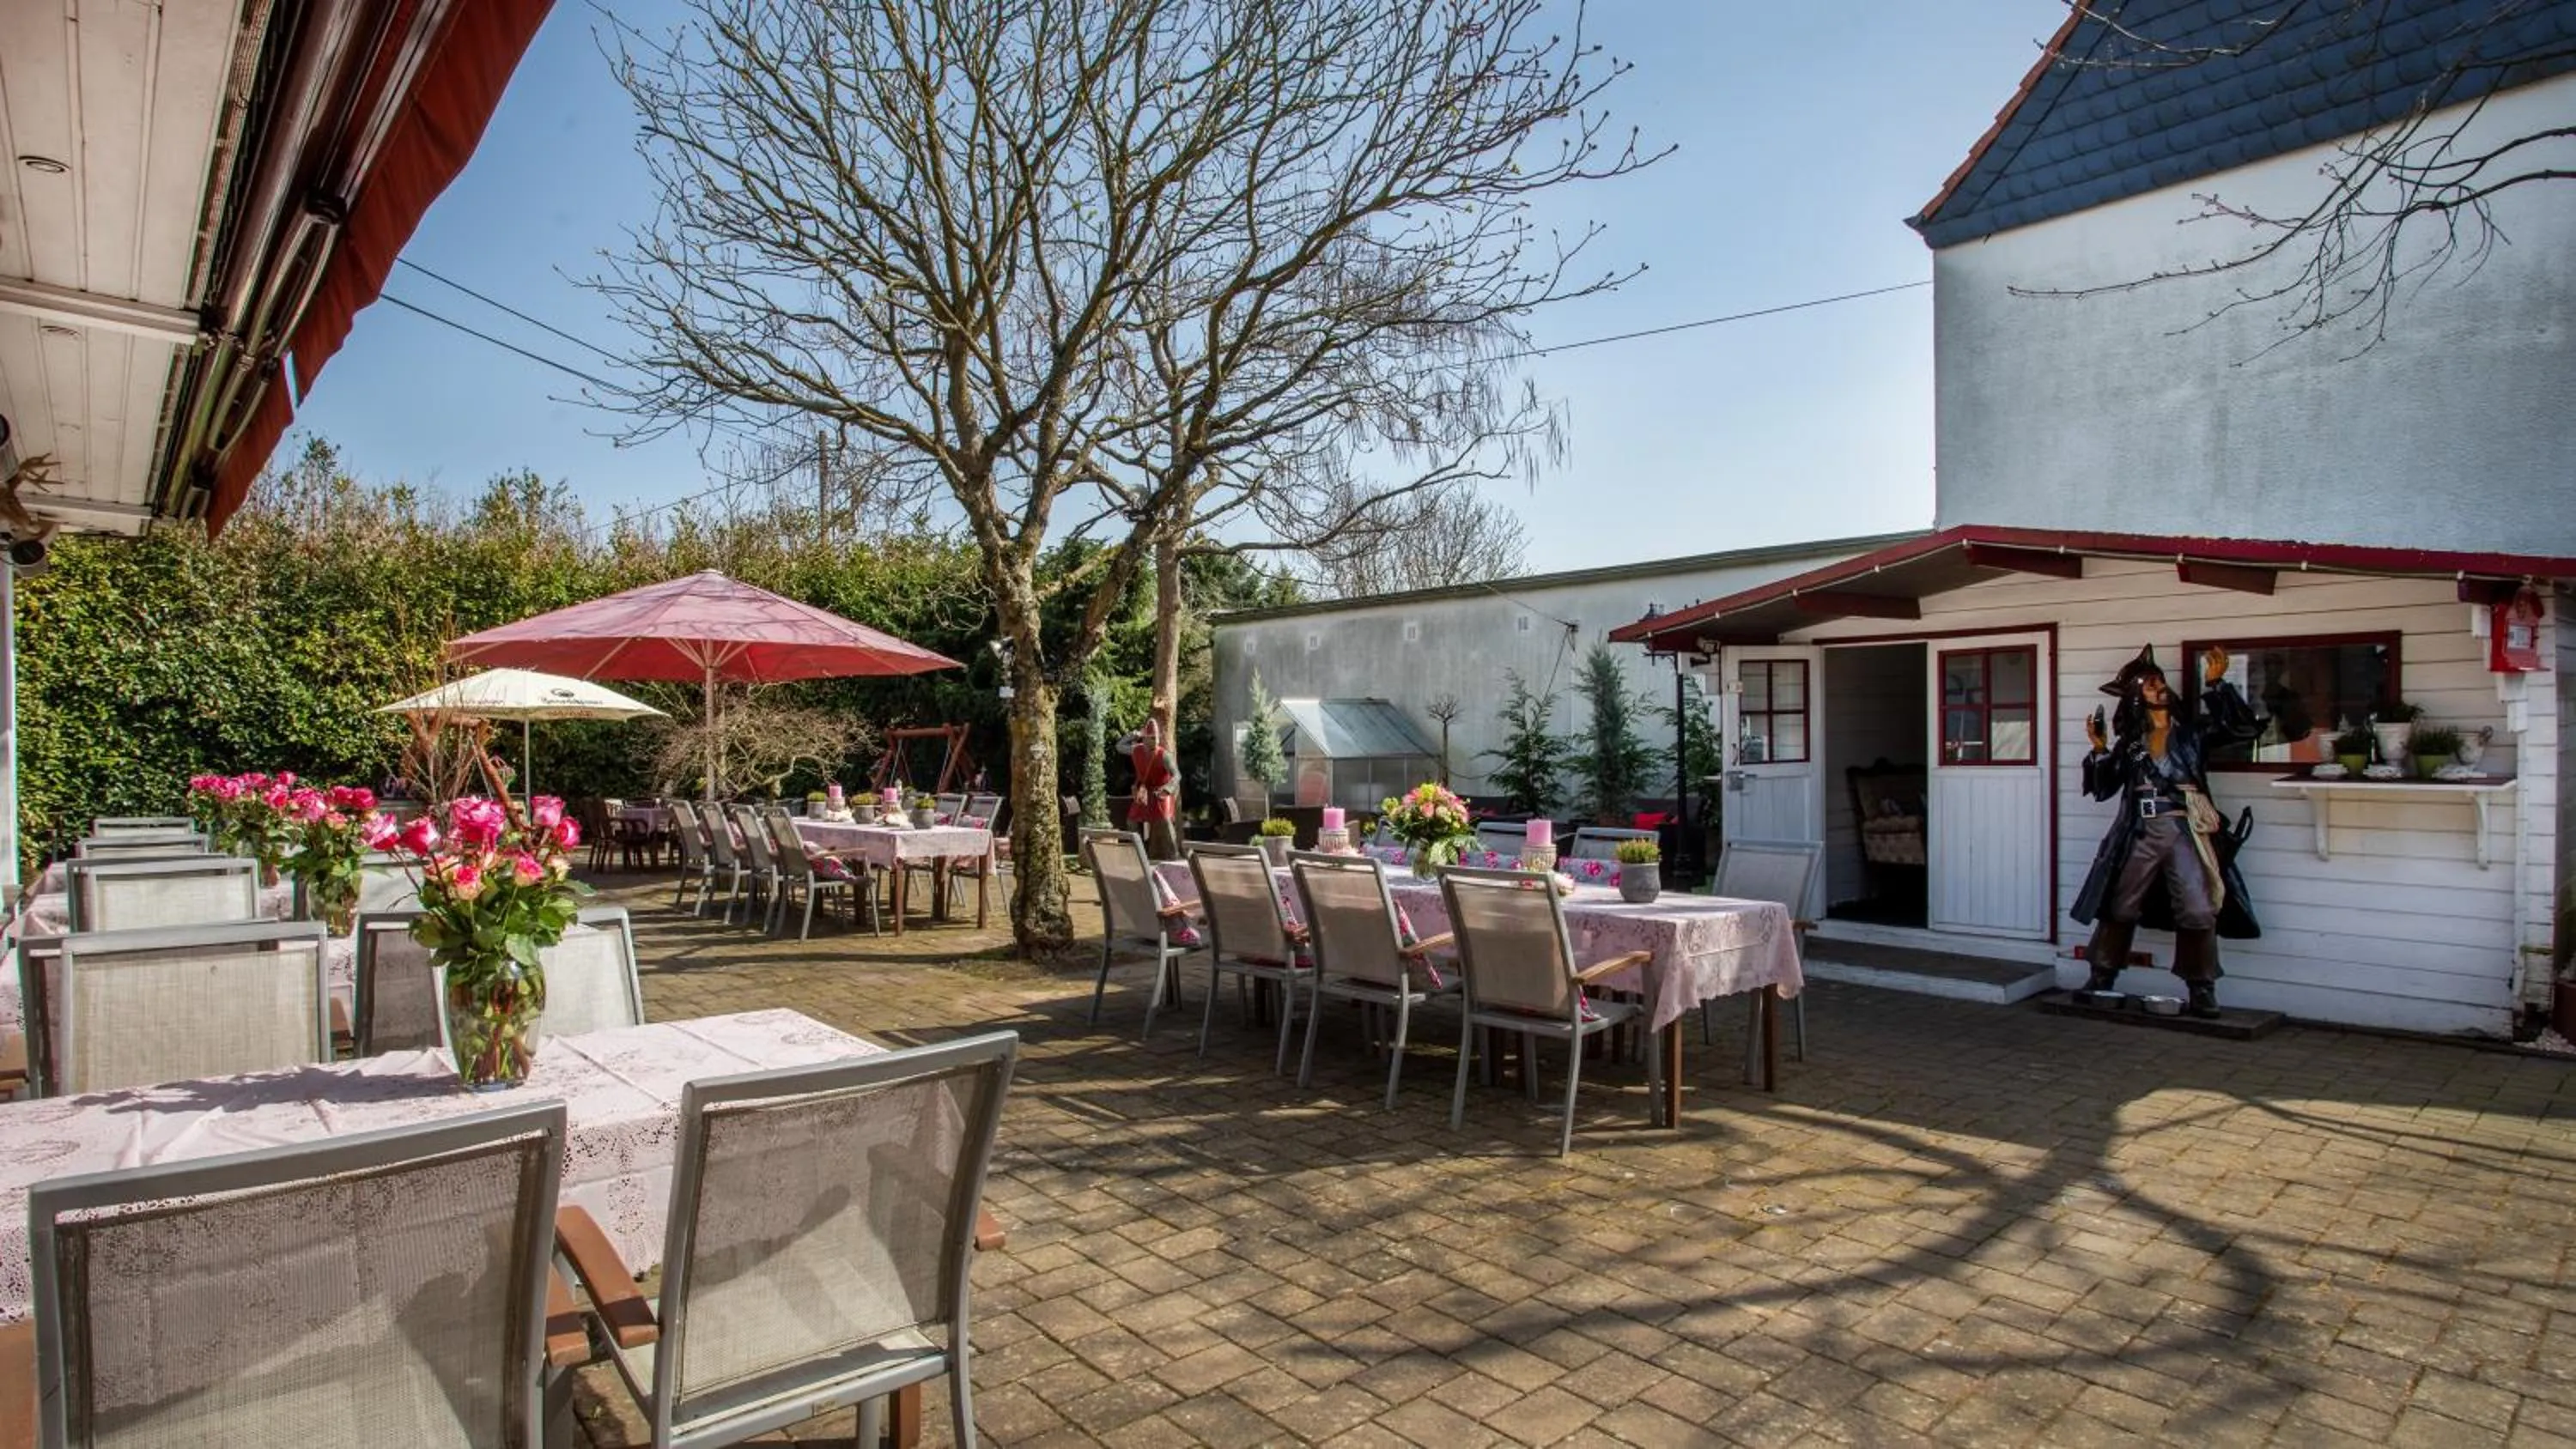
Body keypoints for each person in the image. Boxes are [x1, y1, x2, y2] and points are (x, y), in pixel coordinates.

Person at [2073, 644, 2263, 1019]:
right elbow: (2103, 787)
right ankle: (2101, 976)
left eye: (2160, 681)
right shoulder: (2132, 745)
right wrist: (2098, 750)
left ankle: (2202, 987)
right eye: (2149, 684)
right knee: (2119, 904)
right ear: (2136, 697)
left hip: (2184, 829)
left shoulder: (2192, 735)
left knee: (2198, 906)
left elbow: (2241, 728)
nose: (2159, 687)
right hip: (2139, 831)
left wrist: (2219, 685)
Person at [1119, 714, 1182, 860]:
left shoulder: (1164, 755)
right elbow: (1120, 747)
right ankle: (1139, 854)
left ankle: (1174, 854)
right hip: (1144, 791)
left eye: (1156, 737)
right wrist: (1131, 735)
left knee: (1165, 821)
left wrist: (1167, 789)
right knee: (1132, 821)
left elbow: (1177, 775)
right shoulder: (1137, 750)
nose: (1155, 740)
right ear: (1145, 737)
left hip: (1161, 791)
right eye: (1151, 737)